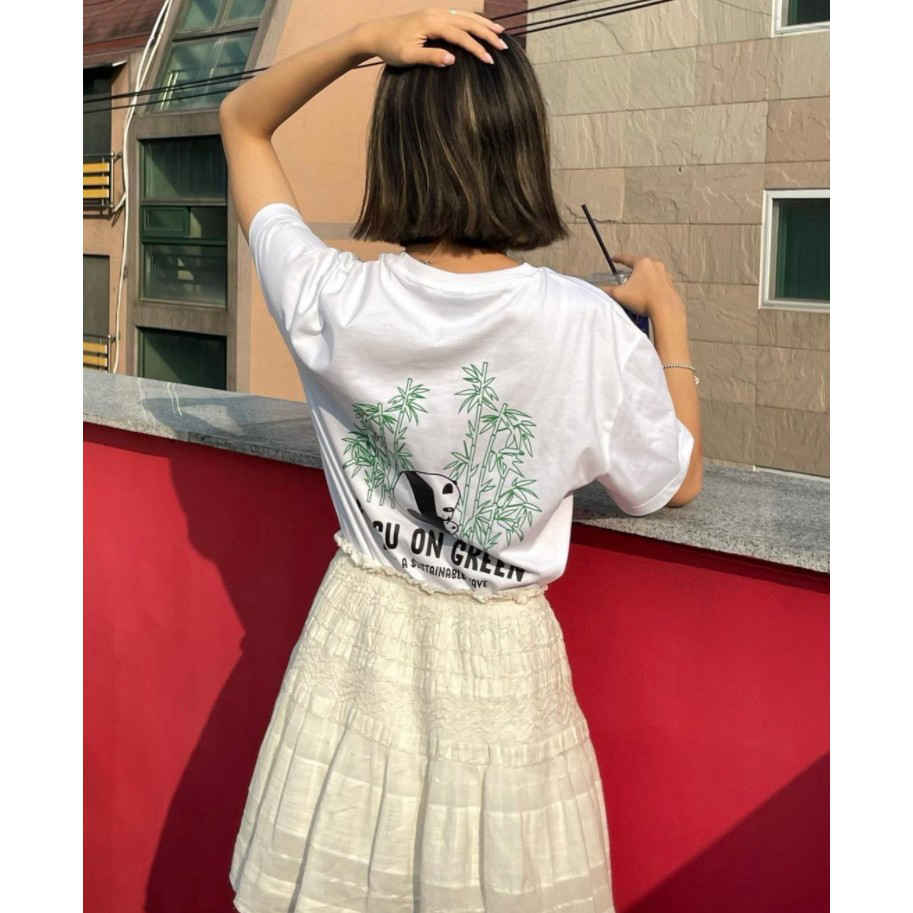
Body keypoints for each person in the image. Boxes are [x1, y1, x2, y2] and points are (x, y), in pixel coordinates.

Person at [219, 7, 702, 913]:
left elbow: (242, 121)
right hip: (502, 664)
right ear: (524, 148)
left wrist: (365, 41)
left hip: (355, 646)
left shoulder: (332, 297)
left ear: (394, 150)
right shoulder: (587, 325)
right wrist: (665, 319)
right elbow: (673, 482)